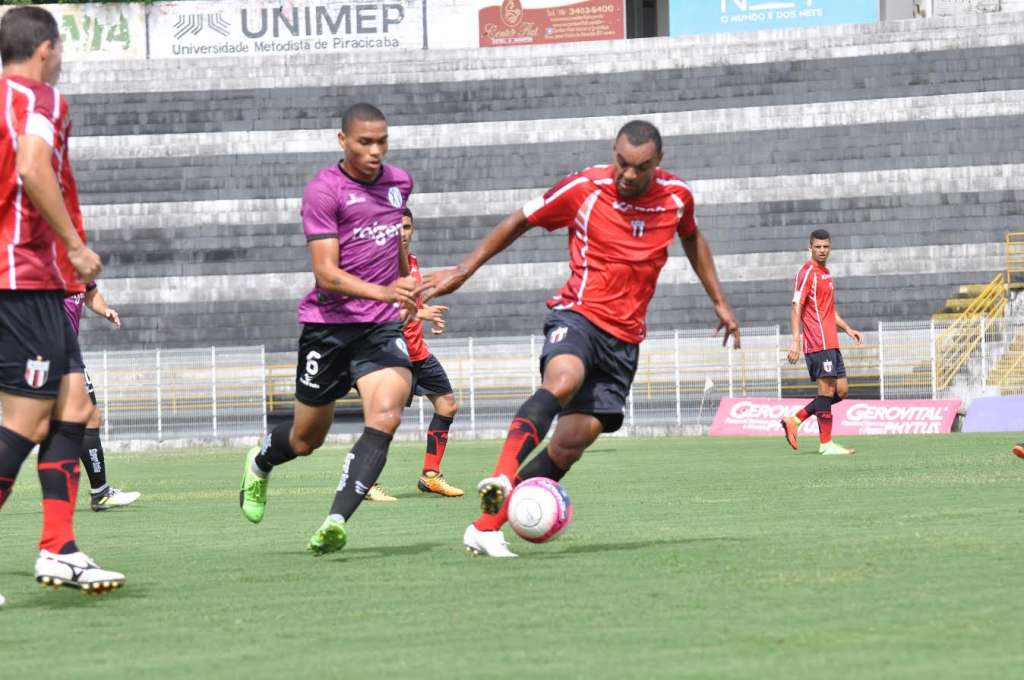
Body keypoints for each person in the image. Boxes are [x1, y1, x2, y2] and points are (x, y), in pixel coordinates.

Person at [424, 120, 741, 557]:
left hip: (624, 341)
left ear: (658, 163)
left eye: (639, 168)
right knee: (563, 379)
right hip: (578, 316)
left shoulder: (677, 197)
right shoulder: (584, 187)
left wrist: (719, 300)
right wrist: (465, 269)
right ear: (614, 152)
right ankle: (501, 476)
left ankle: (485, 525)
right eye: (621, 163)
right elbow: (521, 220)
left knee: (570, 444)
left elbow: (692, 237)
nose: (627, 175)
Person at [238, 103, 418, 555]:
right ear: (343, 141)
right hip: (328, 327)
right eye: (364, 142)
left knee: (386, 416)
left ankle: (335, 520)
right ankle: (259, 463)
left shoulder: (400, 183)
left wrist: (408, 286)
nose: (375, 151)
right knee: (305, 439)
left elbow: (394, 241)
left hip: (378, 329)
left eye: (382, 142)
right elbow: (326, 274)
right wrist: (386, 293)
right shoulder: (324, 191)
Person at [0, 7, 124, 599]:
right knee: (27, 421)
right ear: (47, 48)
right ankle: (56, 546)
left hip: (37, 284)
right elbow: (31, 167)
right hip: (19, 278)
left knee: (76, 407)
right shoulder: (40, 98)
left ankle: (60, 548)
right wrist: (75, 246)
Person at [396, 206, 463, 498]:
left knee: (447, 405)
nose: (402, 233)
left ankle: (431, 475)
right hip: (393, 355)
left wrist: (427, 316)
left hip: (418, 352)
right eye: (397, 227)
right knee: (382, 421)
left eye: (407, 227)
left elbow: (411, 308)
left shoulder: (412, 262)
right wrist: (421, 313)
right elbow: (383, 310)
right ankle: (364, 482)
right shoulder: (379, 264)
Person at [780, 229, 862, 455]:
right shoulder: (806, 272)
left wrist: (847, 328)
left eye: (826, 246)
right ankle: (826, 444)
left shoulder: (826, 273)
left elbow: (829, 310)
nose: (822, 250)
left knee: (842, 391)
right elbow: (796, 306)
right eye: (818, 247)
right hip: (817, 342)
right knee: (825, 392)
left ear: (830, 247)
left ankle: (795, 420)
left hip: (832, 342)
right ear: (810, 248)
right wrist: (796, 341)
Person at [61, 281, 141, 511]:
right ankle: (100, 493)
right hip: (55, 353)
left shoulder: (77, 263)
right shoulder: (47, 263)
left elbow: (91, 294)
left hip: (68, 354)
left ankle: (100, 492)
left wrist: (105, 310)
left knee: (85, 419)